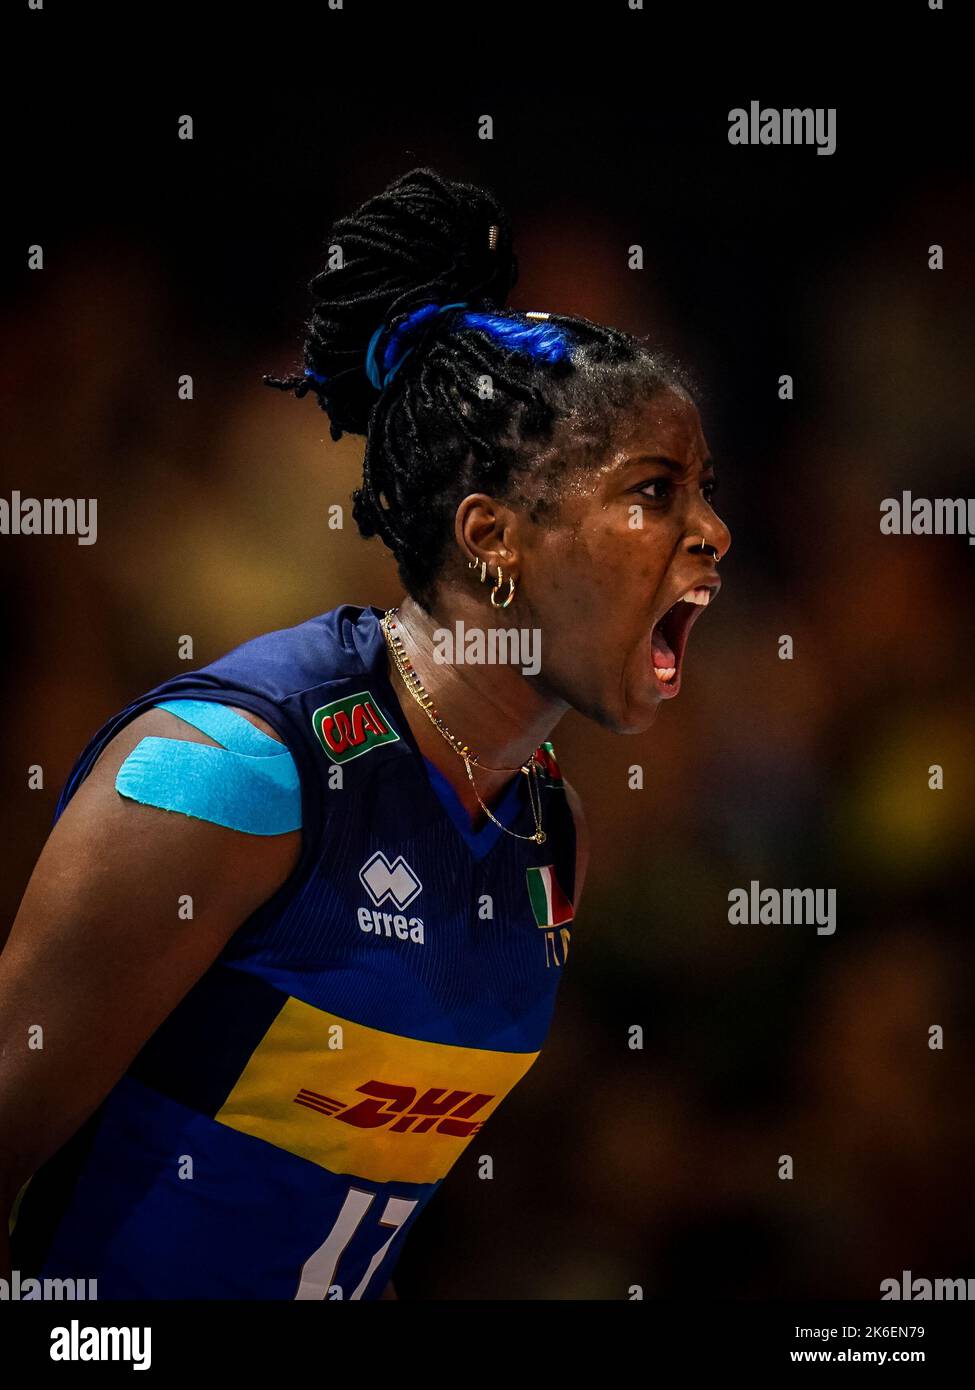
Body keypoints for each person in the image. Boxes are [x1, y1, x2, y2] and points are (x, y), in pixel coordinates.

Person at [0, 167, 729, 1300]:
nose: (712, 531)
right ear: (492, 535)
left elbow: (337, 1235)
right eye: (657, 490)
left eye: (706, 490)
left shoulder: (549, 836)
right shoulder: (240, 770)